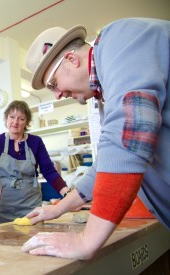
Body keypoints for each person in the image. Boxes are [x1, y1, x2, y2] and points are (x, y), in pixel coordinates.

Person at [22, 18, 170, 260]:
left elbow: (131, 132)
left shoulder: (120, 38)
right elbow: (106, 163)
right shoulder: (104, 98)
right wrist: (58, 208)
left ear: (71, 59)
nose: (58, 95)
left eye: (53, 84)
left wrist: (86, 240)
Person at [0, 100, 70, 224]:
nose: (15, 122)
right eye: (12, 117)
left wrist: (67, 194)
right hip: (4, 206)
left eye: (21, 119)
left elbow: (49, 171)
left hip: (31, 206)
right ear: (6, 118)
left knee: (32, 239)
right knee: (3, 240)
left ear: (26, 122)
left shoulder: (35, 142)